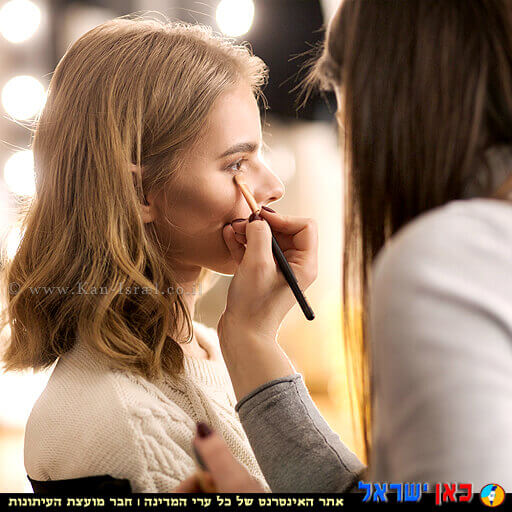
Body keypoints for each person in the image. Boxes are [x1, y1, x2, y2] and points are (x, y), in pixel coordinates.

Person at [177, 0, 512, 493]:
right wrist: (250, 337)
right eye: (234, 164)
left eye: (338, 93)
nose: (345, 125)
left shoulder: (447, 261)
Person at [0, 17, 290, 492]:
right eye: (237, 163)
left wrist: (258, 340)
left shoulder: (217, 349)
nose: (273, 187)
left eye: (261, 155)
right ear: (138, 193)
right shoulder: (120, 423)